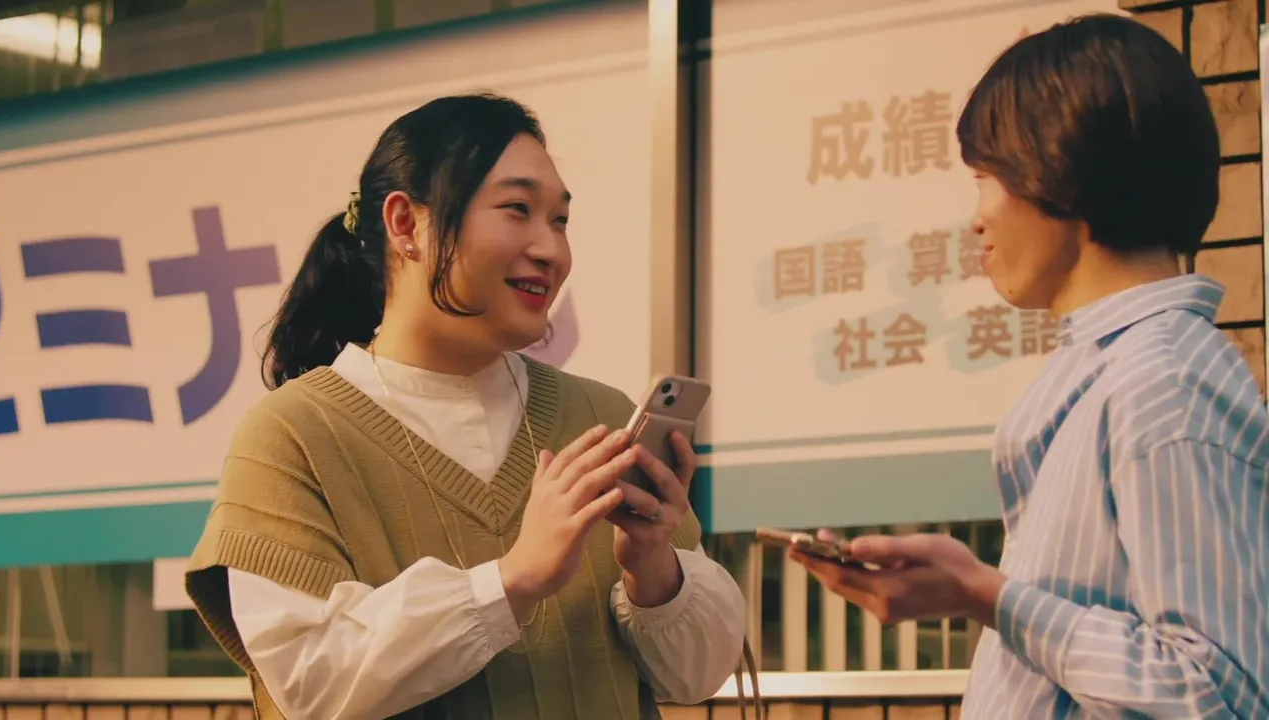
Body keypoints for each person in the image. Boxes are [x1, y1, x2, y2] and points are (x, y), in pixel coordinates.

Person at [184, 93, 747, 720]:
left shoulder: (602, 416)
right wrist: (513, 580)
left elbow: (697, 676)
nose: (551, 250)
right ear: (406, 224)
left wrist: (653, 569)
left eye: (560, 220)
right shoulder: (291, 435)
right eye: (517, 209)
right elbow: (310, 682)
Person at [791, 14, 1268, 719]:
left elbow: (1217, 694)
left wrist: (987, 595)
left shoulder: (1162, 382)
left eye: (986, 177)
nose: (977, 217)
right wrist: (978, 590)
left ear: (1060, 173)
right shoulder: (1122, 368)